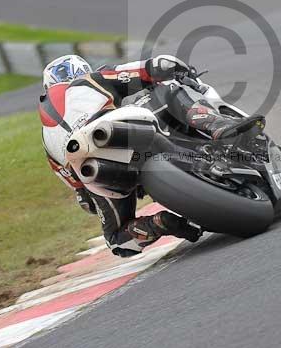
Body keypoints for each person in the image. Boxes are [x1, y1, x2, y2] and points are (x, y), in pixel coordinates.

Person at [39, 54, 263, 257]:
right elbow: (148, 69)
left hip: (96, 168)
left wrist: (91, 195)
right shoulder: (89, 80)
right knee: (168, 87)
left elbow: (78, 190)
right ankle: (216, 124)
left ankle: (158, 224)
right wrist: (175, 68)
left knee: (118, 242)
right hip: (117, 130)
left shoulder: (45, 137)